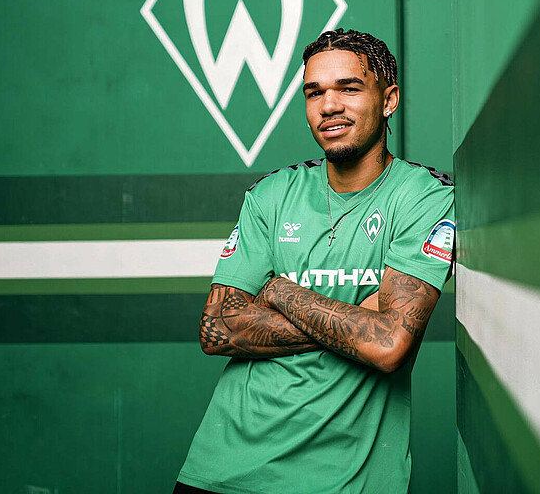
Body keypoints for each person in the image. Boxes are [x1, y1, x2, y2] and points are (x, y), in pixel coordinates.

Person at [173, 28, 455, 494]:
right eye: (314, 92)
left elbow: (388, 345)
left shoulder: (424, 197)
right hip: (223, 469)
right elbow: (217, 329)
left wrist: (280, 292)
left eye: (349, 88)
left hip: (343, 480)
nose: (329, 106)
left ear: (389, 100)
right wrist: (359, 322)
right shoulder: (270, 195)